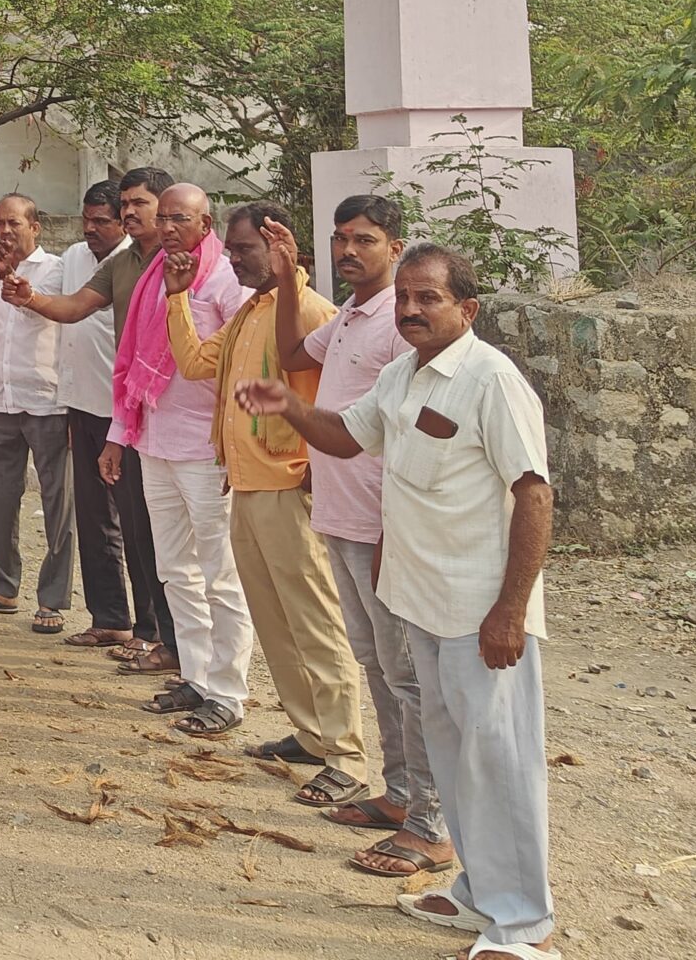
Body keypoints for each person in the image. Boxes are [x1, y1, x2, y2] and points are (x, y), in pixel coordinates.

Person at [237, 244, 557, 960]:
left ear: (467, 309)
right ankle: (479, 893)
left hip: (483, 614)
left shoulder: (491, 380)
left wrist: (510, 610)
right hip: (421, 602)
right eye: (405, 299)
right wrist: (290, 404)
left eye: (428, 299)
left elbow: (533, 494)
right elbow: (349, 439)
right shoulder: (400, 376)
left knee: (499, 760)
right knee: (452, 758)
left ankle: (524, 924)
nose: (410, 310)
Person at [157, 205, 367, 809]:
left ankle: (346, 754)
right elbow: (198, 365)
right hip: (246, 482)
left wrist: (317, 470)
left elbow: (345, 403)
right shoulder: (252, 310)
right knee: (275, 617)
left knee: (316, 621)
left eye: (245, 249)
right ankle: (311, 733)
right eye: (232, 249)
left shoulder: (313, 314)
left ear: (280, 248)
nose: (232, 259)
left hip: (289, 484)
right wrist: (177, 298)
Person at [276, 196, 451, 880]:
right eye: (341, 239)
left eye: (365, 240)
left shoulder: (399, 324)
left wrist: (390, 527)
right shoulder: (348, 311)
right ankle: (401, 793)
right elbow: (294, 354)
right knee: (376, 663)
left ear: (396, 245)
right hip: (341, 514)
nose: (350, 250)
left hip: (382, 523)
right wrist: (294, 277)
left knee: (409, 674)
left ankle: (433, 822)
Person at [7, 170, 175, 662]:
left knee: (144, 523)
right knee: (99, 517)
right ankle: (113, 622)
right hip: (98, 407)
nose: (127, 213)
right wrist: (28, 296)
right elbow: (75, 306)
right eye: (123, 204)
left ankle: (158, 632)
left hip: (150, 414)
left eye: (135, 204)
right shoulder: (116, 264)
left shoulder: (178, 263)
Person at [101, 185, 252, 731]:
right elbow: (131, 367)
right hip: (154, 440)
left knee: (221, 573)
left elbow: (239, 365)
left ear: (205, 223)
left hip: (207, 450)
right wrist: (119, 436)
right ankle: (196, 675)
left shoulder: (227, 281)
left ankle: (229, 693)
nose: (166, 227)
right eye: (161, 218)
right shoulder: (151, 278)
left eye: (179, 219)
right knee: (174, 569)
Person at [0, 193, 74, 631]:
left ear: (35, 227)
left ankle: (52, 600)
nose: (5, 231)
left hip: (47, 400)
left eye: (14, 223)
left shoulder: (58, 271)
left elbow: (65, 327)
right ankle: (3, 586)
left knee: (57, 504)